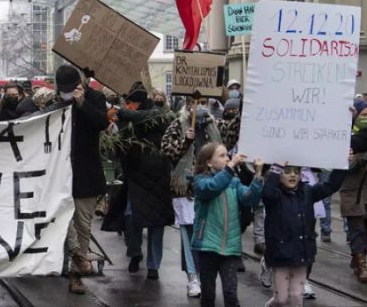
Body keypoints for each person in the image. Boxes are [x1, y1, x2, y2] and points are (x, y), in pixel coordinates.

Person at [161, 96, 240, 298]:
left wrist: (242, 112)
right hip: (185, 188)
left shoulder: (215, 124)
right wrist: (185, 141)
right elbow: (167, 152)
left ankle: (207, 275)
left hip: (214, 187)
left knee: (208, 232)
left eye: (204, 100)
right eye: (195, 101)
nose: (199, 105)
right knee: (188, 235)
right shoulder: (178, 124)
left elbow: (232, 135)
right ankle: (192, 277)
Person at [47, 65, 109, 295]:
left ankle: (76, 275)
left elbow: (102, 123)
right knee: (63, 223)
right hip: (60, 175)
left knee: (83, 225)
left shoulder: (95, 98)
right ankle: (72, 261)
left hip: (86, 175)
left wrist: (83, 104)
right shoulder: (56, 103)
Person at [102, 82, 173, 280]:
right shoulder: (126, 119)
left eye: (131, 103)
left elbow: (151, 118)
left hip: (157, 177)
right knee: (131, 217)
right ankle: (135, 253)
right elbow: (121, 146)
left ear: (138, 102)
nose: (128, 106)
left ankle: (153, 266)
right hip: (136, 177)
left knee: (156, 223)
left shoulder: (158, 114)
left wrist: (124, 114)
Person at [262, 162, 346, 306]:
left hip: (302, 252)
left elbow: (330, 186)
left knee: (296, 297)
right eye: (287, 171)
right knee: (281, 299)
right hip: (280, 254)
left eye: (296, 171)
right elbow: (267, 193)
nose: (293, 175)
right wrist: (275, 170)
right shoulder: (274, 196)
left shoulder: (307, 192)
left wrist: (342, 164)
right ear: (279, 174)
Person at [192, 143, 263, 307]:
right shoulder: (200, 181)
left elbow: (248, 198)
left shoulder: (234, 182)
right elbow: (212, 187)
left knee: (231, 293)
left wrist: (258, 175)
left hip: (229, 246)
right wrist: (230, 167)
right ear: (209, 162)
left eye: (227, 155)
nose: (228, 158)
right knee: (208, 294)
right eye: (222, 156)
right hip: (207, 246)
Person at [341, 99, 367, 283]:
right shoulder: (347, 137)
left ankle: (358, 259)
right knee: (357, 230)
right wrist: (357, 161)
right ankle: (361, 266)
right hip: (352, 193)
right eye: (363, 115)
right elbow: (342, 165)